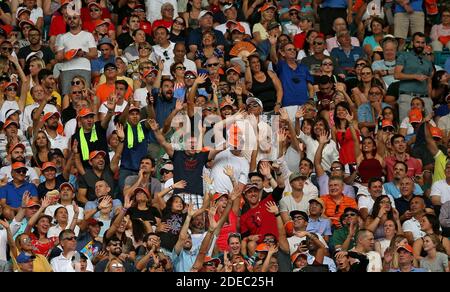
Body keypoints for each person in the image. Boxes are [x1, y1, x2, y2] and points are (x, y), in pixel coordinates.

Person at [55, 12, 97, 95]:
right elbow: (58, 58)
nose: (72, 20)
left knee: (85, 95)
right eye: (69, 18)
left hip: (84, 68)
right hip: (67, 69)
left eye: (74, 18)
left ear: (80, 20)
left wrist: (82, 53)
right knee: (67, 95)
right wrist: (70, 54)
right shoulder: (62, 37)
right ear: (67, 21)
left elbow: (95, 54)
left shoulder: (88, 35)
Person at [394, 32, 434, 121]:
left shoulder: (428, 60)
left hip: (425, 98)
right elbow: (396, 75)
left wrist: (429, 99)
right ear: (412, 43)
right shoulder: (404, 55)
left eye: (422, 43)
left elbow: (429, 81)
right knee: (406, 126)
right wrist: (415, 76)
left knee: (429, 127)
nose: (420, 45)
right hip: (407, 96)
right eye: (417, 42)